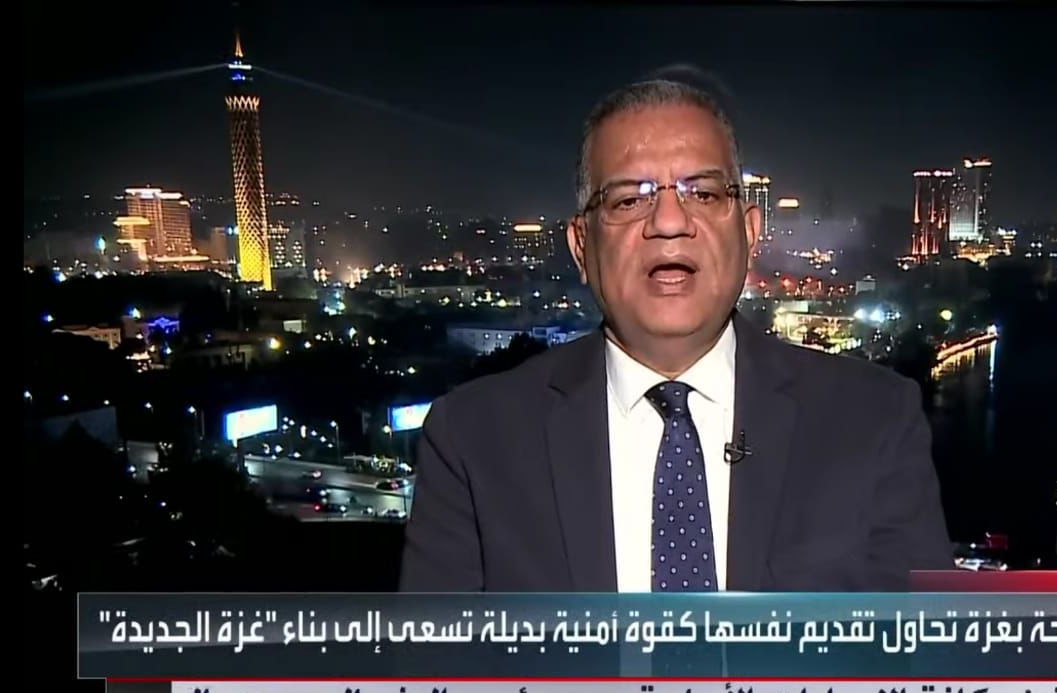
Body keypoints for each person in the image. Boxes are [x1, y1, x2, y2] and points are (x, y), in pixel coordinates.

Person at [399, 79, 952, 592]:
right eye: (628, 199)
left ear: (750, 232)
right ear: (581, 246)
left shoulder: (875, 419)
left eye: (703, 194)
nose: (668, 222)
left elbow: (924, 653)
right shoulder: (473, 440)